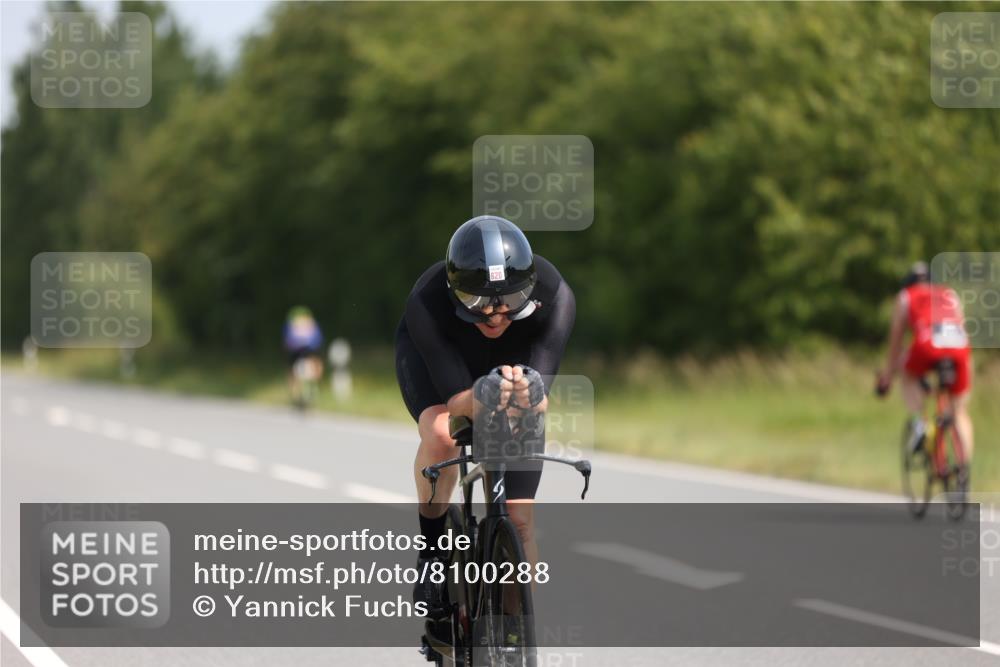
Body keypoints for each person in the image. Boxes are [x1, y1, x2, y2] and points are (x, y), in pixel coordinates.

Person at [395, 215, 575, 610]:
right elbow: (457, 402)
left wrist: (529, 392)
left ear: (529, 289)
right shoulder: (428, 300)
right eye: (478, 303)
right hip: (445, 359)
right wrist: (483, 393)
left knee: (520, 521)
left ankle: (513, 630)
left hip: (516, 357)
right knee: (442, 434)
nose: (495, 315)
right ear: (455, 292)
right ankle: (432, 552)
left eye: (510, 301)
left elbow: (540, 399)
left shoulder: (555, 294)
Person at [876, 261, 974, 458]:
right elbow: (963, 329)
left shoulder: (906, 295)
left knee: (906, 372)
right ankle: (964, 468)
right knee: (960, 412)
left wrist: (887, 376)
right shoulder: (949, 293)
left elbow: (896, 341)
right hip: (959, 346)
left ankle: (919, 423)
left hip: (928, 343)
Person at [283, 306, 324, 404]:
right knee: (293, 371)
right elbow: (287, 341)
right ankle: (295, 395)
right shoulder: (291, 326)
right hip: (296, 352)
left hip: (309, 350)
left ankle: (313, 387)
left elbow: (318, 339)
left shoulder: (312, 326)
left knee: (316, 363)